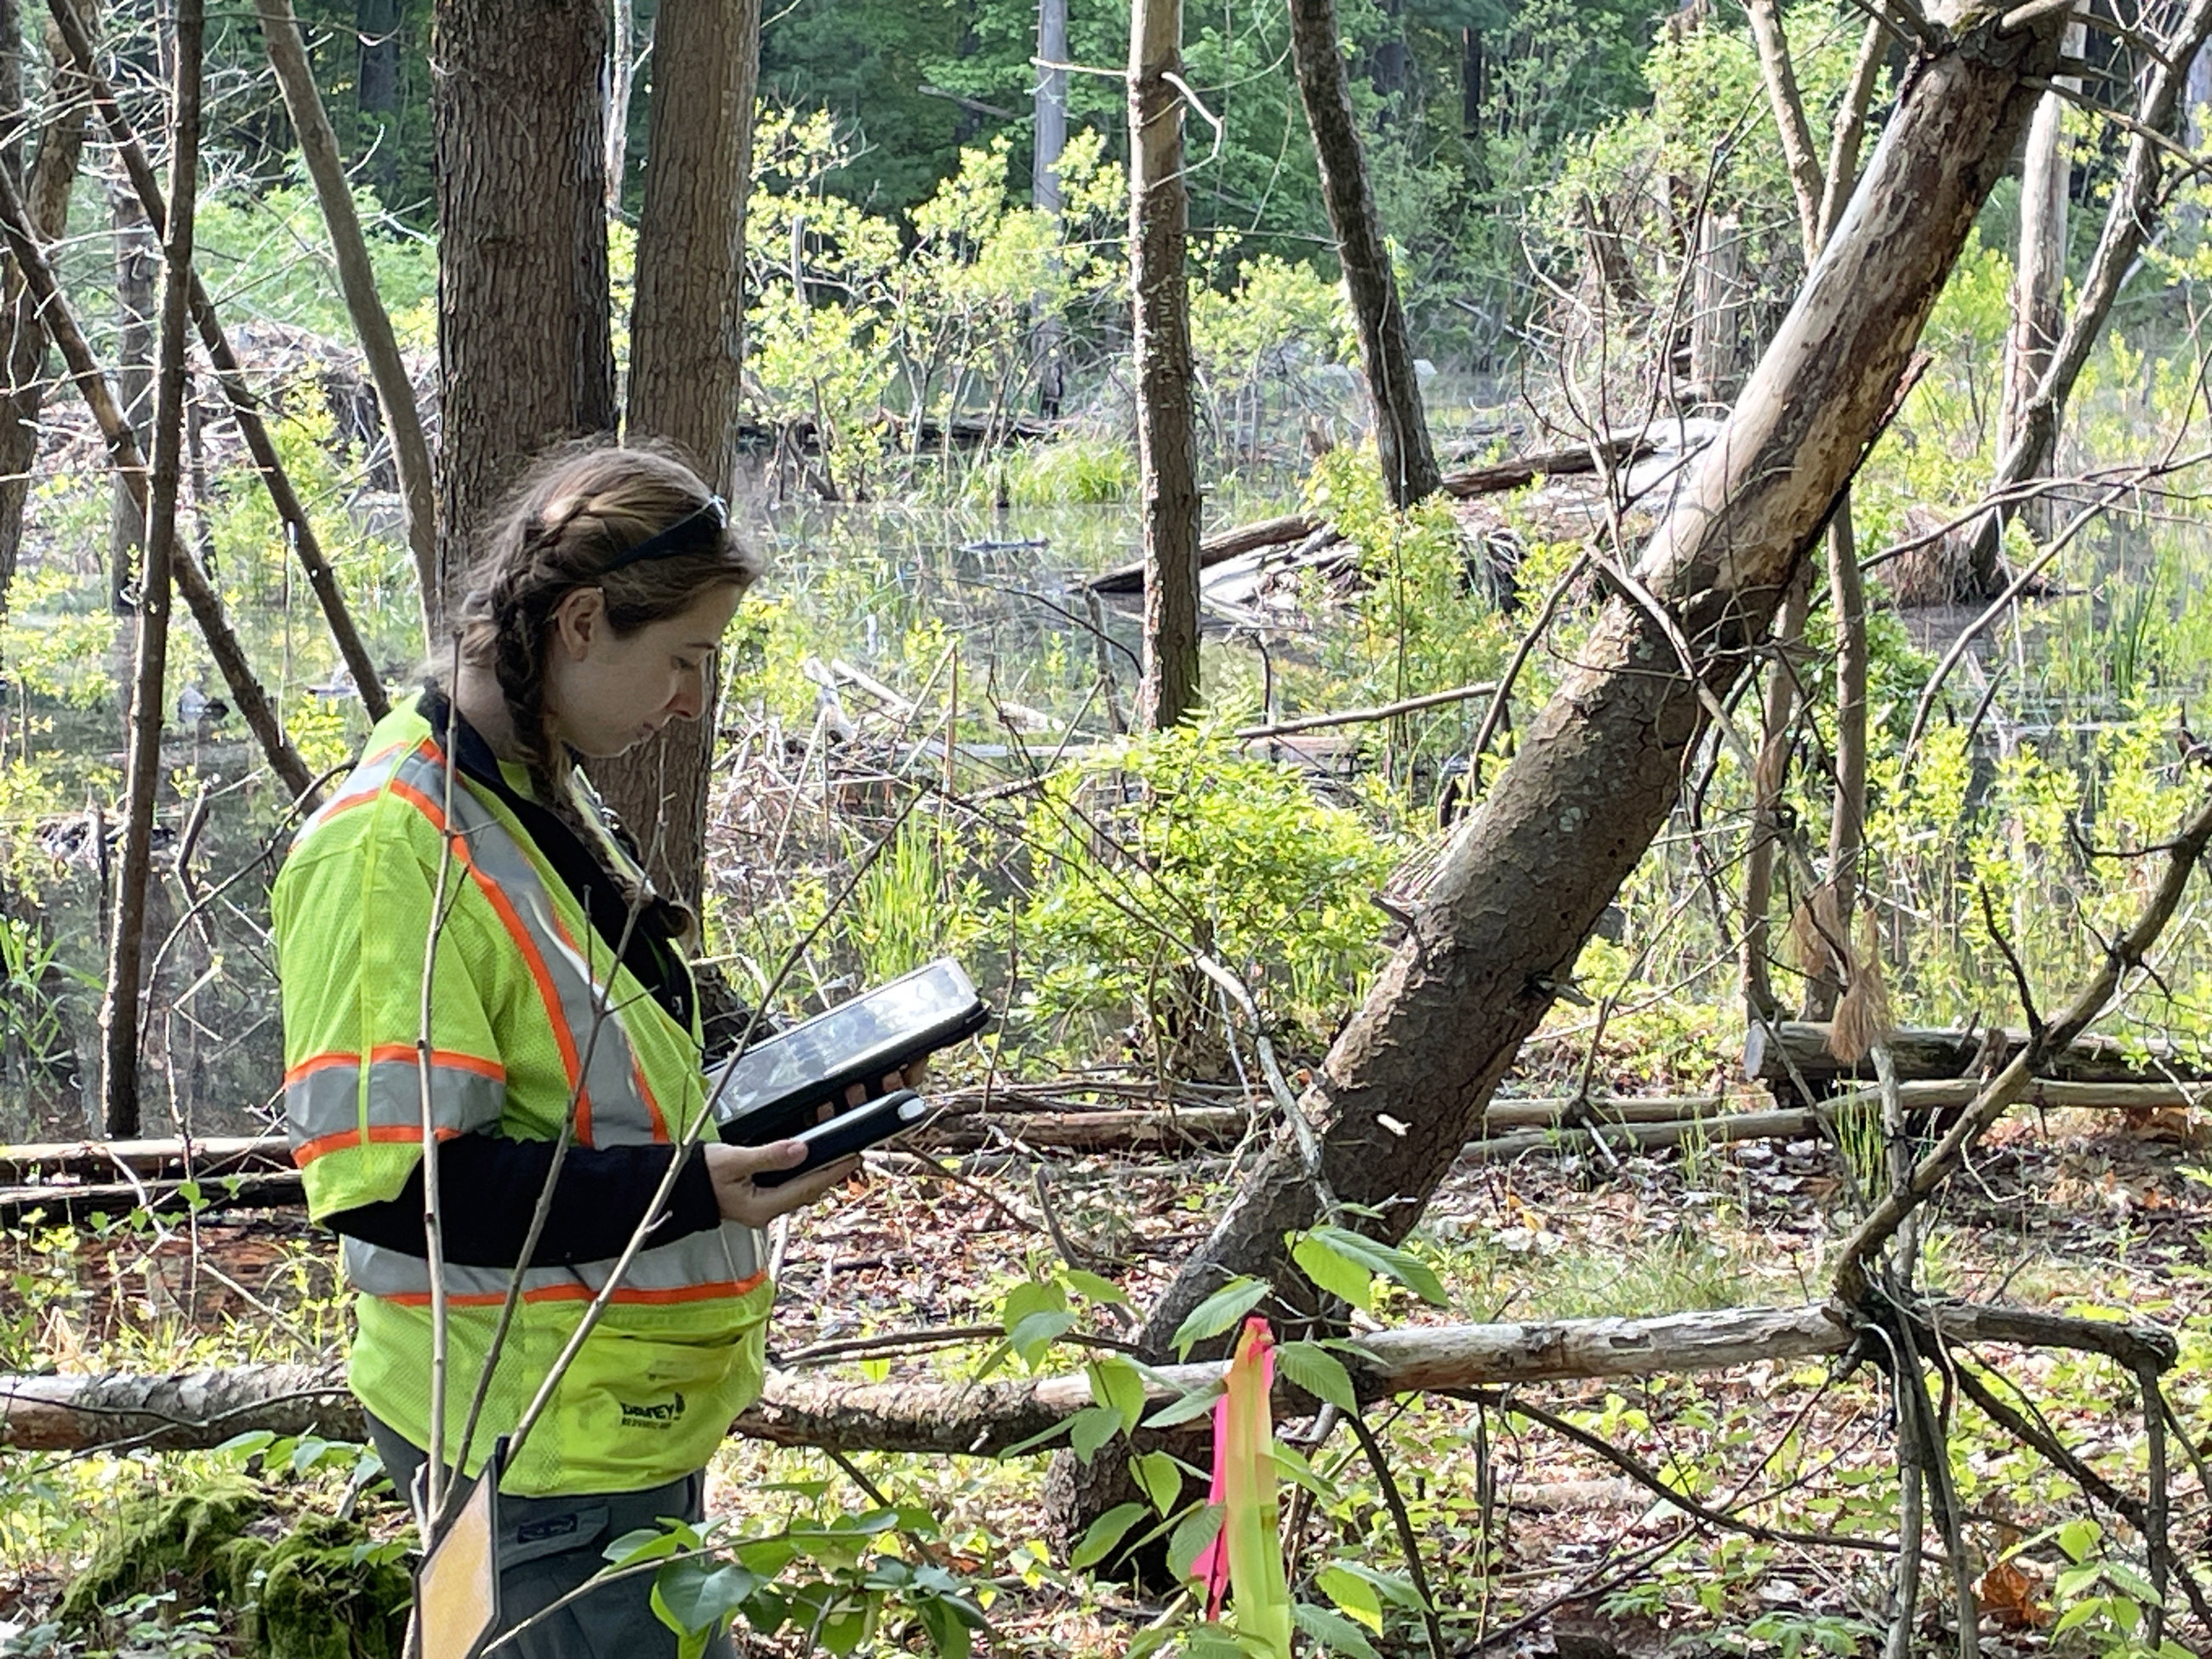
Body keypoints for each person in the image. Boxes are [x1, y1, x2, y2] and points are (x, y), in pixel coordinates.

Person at [273, 442, 870, 1657]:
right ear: (584, 621)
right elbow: (401, 1193)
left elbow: (602, 1064)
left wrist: (798, 1080)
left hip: (600, 1415)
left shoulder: (523, 789)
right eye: (685, 659)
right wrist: (691, 1189)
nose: (693, 698)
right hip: (528, 1434)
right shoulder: (394, 846)